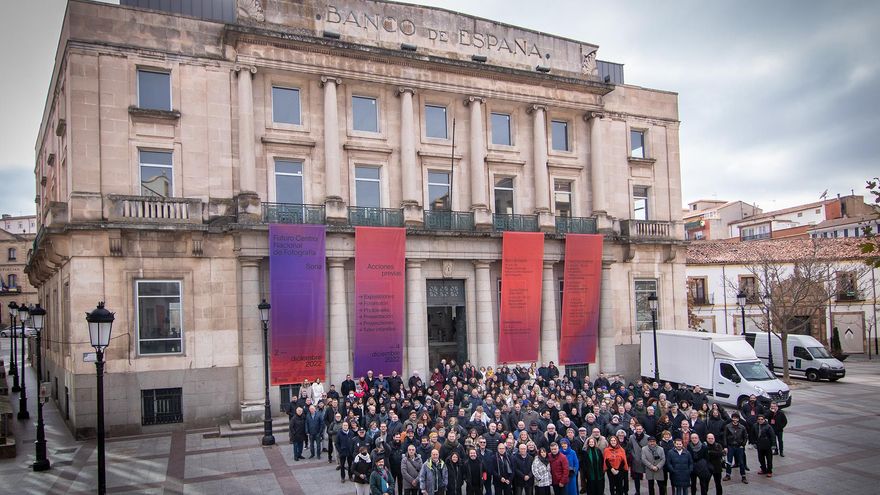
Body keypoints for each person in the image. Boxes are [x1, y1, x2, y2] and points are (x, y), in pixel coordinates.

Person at [722, 415, 748, 484]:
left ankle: (743, 476)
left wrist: (743, 445)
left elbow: (745, 437)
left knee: (741, 462)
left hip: (739, 447)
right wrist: (725, 446)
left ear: (738, 419)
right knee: (729, 462)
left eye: (736, 418)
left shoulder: (742, 427)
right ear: (732, 418)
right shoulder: (727, 426)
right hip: (730, 446)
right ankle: (728, 475)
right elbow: (724, 437)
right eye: (734, 418)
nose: (735, 419)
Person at [628, 424, 649, 495]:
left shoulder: (647, 437)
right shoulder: (631, 437)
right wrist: (634, 455)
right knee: (636, 477)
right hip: (636, 460)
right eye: (637, 429)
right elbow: (630, 447)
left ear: (642, 429)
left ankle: (651, 490)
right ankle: (637, 491)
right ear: (635, 430)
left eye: (640, 429)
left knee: (649, 477)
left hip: (645, 459)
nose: (638, 430)